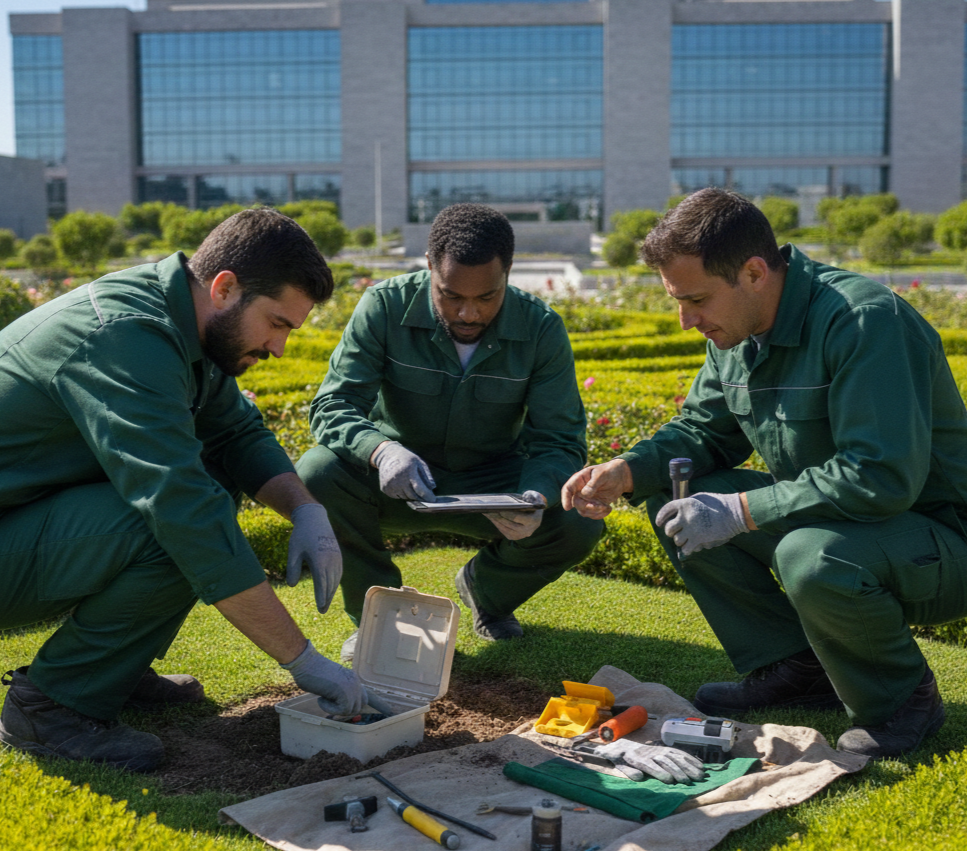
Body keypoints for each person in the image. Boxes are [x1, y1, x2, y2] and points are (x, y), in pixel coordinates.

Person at [562, 187, 967, 759]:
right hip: (853, 524)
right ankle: (800, 669)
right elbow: (703, 431)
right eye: (678, 301)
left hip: (943, 539)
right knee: (676, 498)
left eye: (696, 299)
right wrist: (626, 470)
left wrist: (739, 511)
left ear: (753, 272)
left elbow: (878, 476)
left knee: (811, 557)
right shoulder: (736, 330)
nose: (686, 320)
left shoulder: (863, 321)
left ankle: (902, 701)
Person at [0, 208, 369, 773]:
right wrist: (303, 660)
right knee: (170, 528)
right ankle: (51, 706)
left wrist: (306, 510)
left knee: (213, 483)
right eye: (277, 323)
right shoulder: (125, 336)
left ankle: (112, 668)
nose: (279, 348)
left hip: (18, 520)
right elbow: (181, 509)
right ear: (225, 288)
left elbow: (236, 433)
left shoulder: (182, 317)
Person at [297, 203, 602, 655]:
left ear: (508, 273)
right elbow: (333, 405)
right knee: (317, 472)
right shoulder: (383, 306)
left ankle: (487, 592)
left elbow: (558, 440)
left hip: (492, 487)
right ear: (429, 266)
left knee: (577, 520)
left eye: (487, 297)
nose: (468, 313)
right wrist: (381, 451)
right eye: (450, 295)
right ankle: (378, 619)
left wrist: (534, 497)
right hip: (396, 479)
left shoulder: (542, 328)